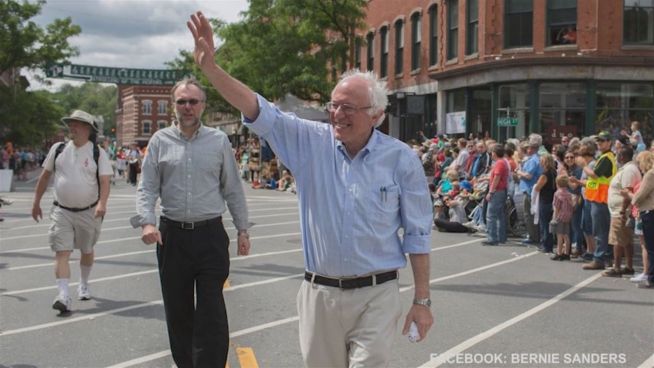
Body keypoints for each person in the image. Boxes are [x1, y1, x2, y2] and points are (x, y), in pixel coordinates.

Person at [188, 11, 433, 367]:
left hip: (377, 294)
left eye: (348, 107)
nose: (336, 114)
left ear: (376, 115)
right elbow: (258, 108)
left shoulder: (402, 160)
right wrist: (211, 69)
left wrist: (422, 301)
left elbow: (418, 233)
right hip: (319, 295)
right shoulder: (309, 144)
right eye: (333, 105)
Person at [130, 78, 251, 368]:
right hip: (173, 237)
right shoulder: (159, 141)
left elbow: (232, 187)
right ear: (174, 106)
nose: (187, 107)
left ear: (203, 106)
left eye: (193, 101)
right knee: (178, 310)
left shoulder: (219, 141)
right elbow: (147, 187)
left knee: (211, 310)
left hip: (210, 235)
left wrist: (242, 229)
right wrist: (147, 222)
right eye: (182, 101)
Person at [31, 110, 112, 314]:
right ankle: (63, 295)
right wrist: (36, 202)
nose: (72, 128)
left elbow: (104, 181)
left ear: (87, 129)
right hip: (62, 210)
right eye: (71, 124)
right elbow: (45, 176)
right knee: (61, 252)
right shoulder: (58, 149)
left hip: (88, 211)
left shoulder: (97, 152)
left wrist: (102, 204)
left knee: (86, 250)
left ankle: (83, 283)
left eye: (76, 124)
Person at [602, 146, 641, 277]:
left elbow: (627, 191)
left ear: (623, 156)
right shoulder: (627, 169)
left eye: (618, 154)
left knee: (617, 240)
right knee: (625, 240)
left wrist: (623, 211)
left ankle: (617, 267)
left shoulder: (629, 170)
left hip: (620, 211)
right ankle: (628, 266)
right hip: (618, 209)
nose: (616, 157)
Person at [583, 131, 617, 270]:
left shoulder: (606, 158)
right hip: (599, 198)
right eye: (598, 141)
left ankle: (599, 258)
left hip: (601, 199)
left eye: (602, 141)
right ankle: (606, 257)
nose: (599, 143)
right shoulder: (605, 157)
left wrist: (583, 165)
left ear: (609, 142)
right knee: (603, 230)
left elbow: (594, 175)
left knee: (600, 231)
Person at [516, 141, 542, 245]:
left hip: (530, 190)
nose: (527, 150)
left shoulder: (533, 160)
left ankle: (533, 236)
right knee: (531, 214)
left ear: (532, 149)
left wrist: (518, 172)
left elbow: (528, 176)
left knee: (529, 214)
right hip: (530, 190)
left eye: (528, 148)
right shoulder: (534, 159)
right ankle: (534, 235)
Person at [483, 144, 509, 246]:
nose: (491, 154)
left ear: (495, 153)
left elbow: (496, 178)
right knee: (500, 215)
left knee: (491, 215)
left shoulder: (499, 163)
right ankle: (501, 237)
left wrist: (491, 192)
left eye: (492, 152)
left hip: (497, 191)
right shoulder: (502, 162)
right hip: (502, 190)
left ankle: (492, 238)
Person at [551, 175, 575, 260]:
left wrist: (554, 218)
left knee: (559, 236)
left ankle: (559, 252)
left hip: (560, 216)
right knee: (566, 235)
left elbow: (557, 207)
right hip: (568, 216)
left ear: (557, 183)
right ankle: (567, 253)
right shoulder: (569, 194)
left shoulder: (557, 193)